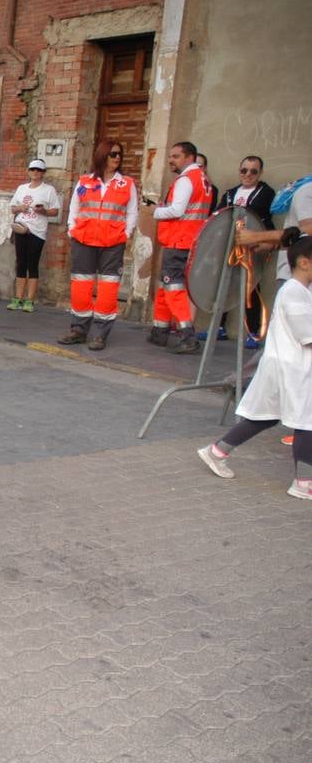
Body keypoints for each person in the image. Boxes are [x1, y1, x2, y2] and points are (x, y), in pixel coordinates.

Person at [196, 234, 312, 500]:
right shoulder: (295, 292)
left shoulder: (299, 291)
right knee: (307, 421)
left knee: (266, 415)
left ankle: (217, 451)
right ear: (304, 262)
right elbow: (308, 335)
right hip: (293, 368)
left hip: (285, 366)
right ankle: (303, 482)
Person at [60, 140, 138, 351]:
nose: (117, 158)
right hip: (84, 240)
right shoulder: (85, 181)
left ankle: (100, 333)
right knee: (81, 286)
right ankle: (78, 330)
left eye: (119, 155)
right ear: (102, 155)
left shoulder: (127, 184)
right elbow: (74, 208)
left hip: (112, 243)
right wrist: (71, 230)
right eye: (113, 154)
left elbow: (132, 212)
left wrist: (126, 234)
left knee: (108, 288)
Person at [150, 141, 214, 354]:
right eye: (171, 156)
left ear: (189, 157)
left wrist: (156, 211)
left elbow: (177, 210)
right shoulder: (203, 180)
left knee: (173, 287)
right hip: (190, 240)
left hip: (179, 240)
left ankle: (187, 335)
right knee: (166, 285)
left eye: (176, 156)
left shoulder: (187, 179)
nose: (171, 160)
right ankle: (159, 331)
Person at [219, 156, 276, 347]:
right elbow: (220, 213)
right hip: (230, 245)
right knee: (224, 285)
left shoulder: (265, 192)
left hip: (253, 246)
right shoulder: (231, 192)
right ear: (239, 171)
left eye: (253, 171)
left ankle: (254, 332)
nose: (248, 175)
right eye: (244, 170)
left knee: (251, 287)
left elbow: (255, 211)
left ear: (260, 173)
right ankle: (219, 327)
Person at [6, 158, 61, 314]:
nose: (35, 173)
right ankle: (18, 298)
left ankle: (30, 300)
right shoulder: (22, 188)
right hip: (21, 228)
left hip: (37, 231)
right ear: (28, 171)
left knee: (32, 264)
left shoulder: (48, 190)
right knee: (20, 263)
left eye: (39, 170)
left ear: (43, 173)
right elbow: (12, 208)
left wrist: (43, 211)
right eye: (33, 169)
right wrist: (20, 208)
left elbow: (55, 211)